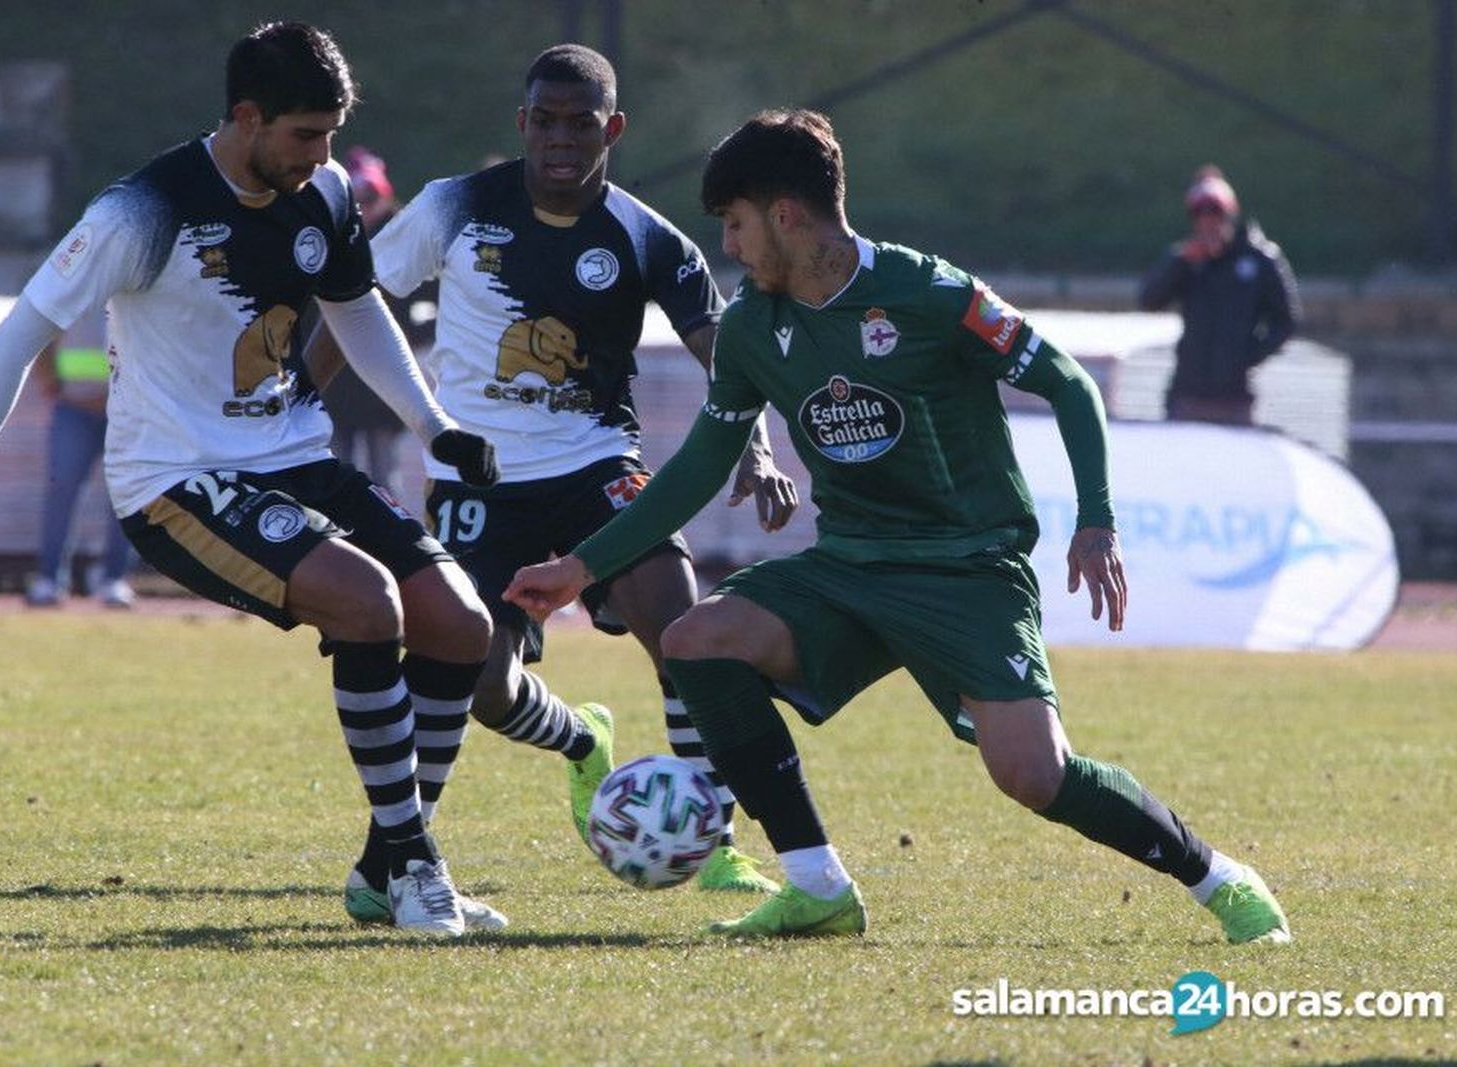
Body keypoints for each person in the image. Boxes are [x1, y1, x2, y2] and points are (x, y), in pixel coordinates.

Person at [505, 110, 1292, 944]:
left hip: (967, 567)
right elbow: (701, 464)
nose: (729, 246)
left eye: (734, 224)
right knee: (698, 638)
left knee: (1033, 773)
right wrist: (582, 569)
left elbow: (1067, 384)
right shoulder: (750, 328)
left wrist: (1096, 521)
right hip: (847, 566)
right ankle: (816, 884)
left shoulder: (929, 294)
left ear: (785, 215)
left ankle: (1217, 876)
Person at [0, 21, 507, 938]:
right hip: (175, 480)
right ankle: (418, 865)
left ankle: (389, 866)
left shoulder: (329, 191)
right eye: (306, 135)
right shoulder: (143, 208)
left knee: (462, 622)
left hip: (296, 454)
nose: (324, 156)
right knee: (368, 601)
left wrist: (437, 427)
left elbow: (355, 311)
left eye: (332, 134)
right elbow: (18, 332)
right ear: (247, 117)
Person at [359, 44, 798, 904]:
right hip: (478, 480)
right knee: (481, 684)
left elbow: (722, 351)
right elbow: (356, 301)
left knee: (680, 623)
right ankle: (580, 743)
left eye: (582, 123)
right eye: (546, 121)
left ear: (614, 130)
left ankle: (709, 836)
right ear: (523, 124)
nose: (562, 139)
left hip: (598, 465)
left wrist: (758, 448)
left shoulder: (646, 237)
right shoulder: (453, 208)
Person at [1138, 165, 1301, 426]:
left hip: (1234, 397)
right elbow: (1148, 301)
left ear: (1229, 215)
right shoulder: (1186, 260)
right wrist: (1180, 264)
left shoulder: (1259, 260)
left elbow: (1286, 319)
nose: (1208, 223)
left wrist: (1248, 355)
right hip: (1188, 392)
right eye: (1199, 215)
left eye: (1215, 213)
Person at [318, 146, 421, 487]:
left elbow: (426, 298)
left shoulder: (402, 235)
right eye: (359, 198)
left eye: (371, 196)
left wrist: (418, 334)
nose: (366, 206)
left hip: (382, 375)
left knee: (382, 469)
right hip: (335, 376)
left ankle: (383, 534)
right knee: (334, 465)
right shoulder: (330, 235)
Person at [25, 301, 136, 608]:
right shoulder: (71, 288)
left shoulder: (133, 291)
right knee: (61, 490)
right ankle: (49, 579)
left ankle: (113, 579)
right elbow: (43, 338)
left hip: (125, 414)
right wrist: (50, 383)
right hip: (74, 408)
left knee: (125, 497)